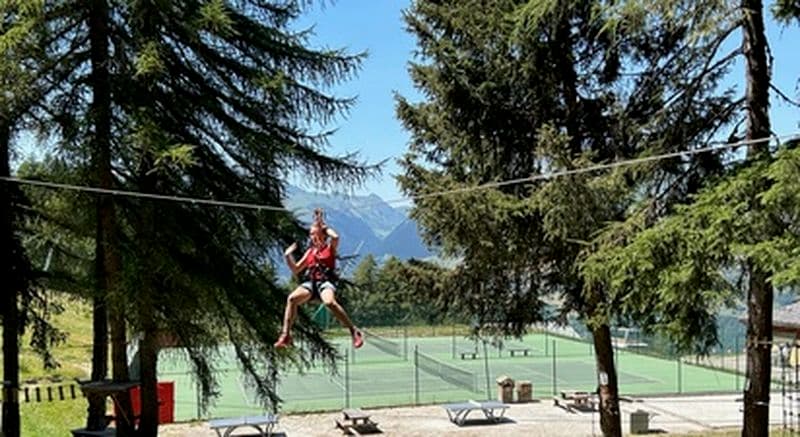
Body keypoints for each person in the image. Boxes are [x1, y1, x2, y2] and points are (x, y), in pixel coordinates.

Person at [275, 209, 364, 349]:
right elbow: (296, 269)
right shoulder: (310, 251)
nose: (312, 236)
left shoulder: (330, 248)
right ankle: (286, 335)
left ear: (322, 234)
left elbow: (335, 237)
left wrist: (323, 225)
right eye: (311, 234)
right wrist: (288, 256)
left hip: (326, 282)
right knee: (292, 299)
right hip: (311, 283)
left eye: (314, 233)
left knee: (329, 302)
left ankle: (354, 331)